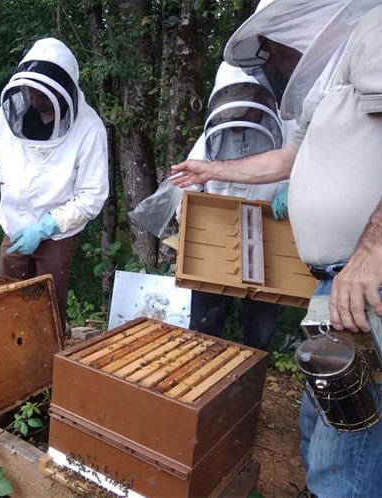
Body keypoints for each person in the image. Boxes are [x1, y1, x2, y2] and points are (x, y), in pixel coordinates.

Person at [171, 1, 382, 497]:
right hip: (338, 285)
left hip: (366, 279)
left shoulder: (373, 30)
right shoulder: (328, 86)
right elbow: (289, 157)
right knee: (322, 436)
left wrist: (373, 249)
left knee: (344, 458)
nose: (273, 60)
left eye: (273, 45)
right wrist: (211, 170)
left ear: (304, 22)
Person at [0, 38, 109, 323]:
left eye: (42, 94)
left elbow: (92, 196)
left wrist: (46, 226)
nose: (34, 99)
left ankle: (48, 360)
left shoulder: (89, 128)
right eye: (30, 91)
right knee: (8, 301)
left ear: (63, 93)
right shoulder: (10, 113)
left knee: (46, 310)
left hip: (57, 236)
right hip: (13, 226)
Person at [183, 61, 290, 351]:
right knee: (204, 330)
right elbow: (186, 185)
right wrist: (190, 218)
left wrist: (295, 191)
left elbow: (311, 167)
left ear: (261, 94)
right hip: (219, 241)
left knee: (259, 335)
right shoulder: (212, 135)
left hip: (272, 244)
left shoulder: (290, 127)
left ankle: (248, 389)